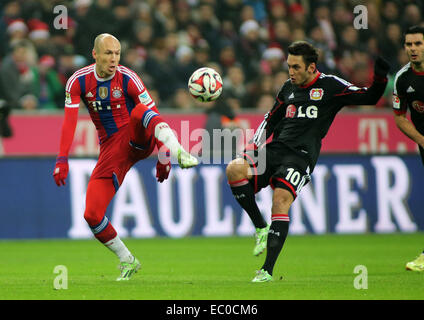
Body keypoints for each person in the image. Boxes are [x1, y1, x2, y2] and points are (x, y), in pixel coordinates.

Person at [225, 40, 390, 282]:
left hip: (301, 157)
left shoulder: (331, 86)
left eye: (296, 67)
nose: (291, 72)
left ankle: (267, 270)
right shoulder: (287, 88)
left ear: (311, 67)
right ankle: (260, 227)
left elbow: (369, 97)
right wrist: (252, 146)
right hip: (277, 150)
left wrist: (380, 76)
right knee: (234, 169)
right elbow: (270, 119)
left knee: (280, 200)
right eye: (289, 67)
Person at [53, 33, 198, 281]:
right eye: (108, 53)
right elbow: (70, 122)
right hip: (112, 150)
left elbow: (152, 113)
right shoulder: (78, 81)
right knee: (92, 214)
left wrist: (164, 155)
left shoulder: (128, 77)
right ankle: (127, 259)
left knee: (139, 111)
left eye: (117, 53)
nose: (114, 58)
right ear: (95, 54)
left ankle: (177, 149)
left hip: (137, 138)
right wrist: (62, 159)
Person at [392, 25, 424, 272]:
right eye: (409, 44)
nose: (413, 49)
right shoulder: (403, 78)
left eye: (418, 44)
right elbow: (400, 116)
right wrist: (421, 140)